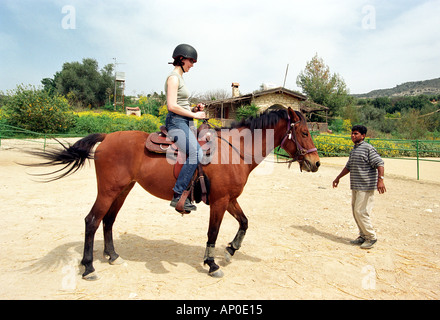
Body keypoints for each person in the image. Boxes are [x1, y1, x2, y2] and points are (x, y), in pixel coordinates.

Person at [165, 44, 206, 212]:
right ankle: (178, 193)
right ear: (181, 59)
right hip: (176, 122)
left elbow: (182, 105)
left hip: (184, 119)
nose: (192, 64)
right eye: (191, 61)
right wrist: (195, 116)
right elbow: (172, 106)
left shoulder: (181, 78)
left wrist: (194, 110)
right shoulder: (173, 78)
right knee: (197, 152)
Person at [332, 125, 386, 249]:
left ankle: (371, 237)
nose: (353, 136)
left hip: (366, 186)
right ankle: (363, 236)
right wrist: (338, 178)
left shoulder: (368, 148)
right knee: (355, 212)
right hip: (356, 185)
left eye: (356, 134)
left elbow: (380, 163)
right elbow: (348, 166)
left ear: (363, 136)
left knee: (361, 212)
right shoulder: (354, 150)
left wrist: (380, 180)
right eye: (352, 133)